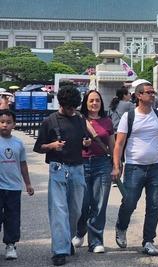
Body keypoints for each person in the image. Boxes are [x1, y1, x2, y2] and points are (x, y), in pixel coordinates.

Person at [112, 82, 158, 257]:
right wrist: (116, 166)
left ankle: (148, 241)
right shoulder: (129, 116)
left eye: (153, 92)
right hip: (134, 167)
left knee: (154, 206)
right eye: (149, 92)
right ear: (139, 95)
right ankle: (121, 227)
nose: (152, 95)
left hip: (156, 167)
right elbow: (119, 144)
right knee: (129, 202)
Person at [34, 85, 91, 266]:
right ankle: (59, 251)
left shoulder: (80, 119)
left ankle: (66, 240)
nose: (72, 110)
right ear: (61, 104)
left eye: (74, 107)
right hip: (58, 168)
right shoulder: (49, 121)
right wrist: (51, 146)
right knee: (59, 210)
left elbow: (83, 141)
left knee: (76, 210)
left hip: (78, 168)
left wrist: (86, 143)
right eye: (69, 107)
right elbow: (38, 147)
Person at [73, 90, 114, 253]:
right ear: (85, 103)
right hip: (81, 164)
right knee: (82, 204)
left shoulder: (107, 121)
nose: (94, 103)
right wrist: (82, 143)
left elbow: (112, 144)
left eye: (97, 100)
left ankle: (96, 241)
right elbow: (70, 141)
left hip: (102, 164)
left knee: (99, 204)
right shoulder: (78, 119)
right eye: (91, 101)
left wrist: (117, 164)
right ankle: (80, 230)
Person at [0, 109, 34, 261]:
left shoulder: (18, 143)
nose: (4, 125)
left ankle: (11, 244)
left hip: (14, 187)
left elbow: (23, 164)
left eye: (8, 122)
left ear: (14, 124)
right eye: (2, 122)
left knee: (12, 217)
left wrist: (28, 184)